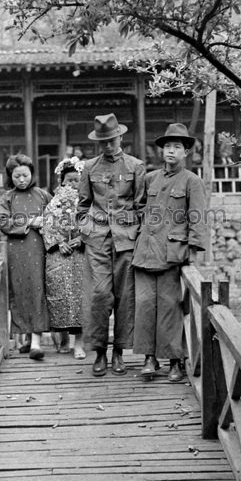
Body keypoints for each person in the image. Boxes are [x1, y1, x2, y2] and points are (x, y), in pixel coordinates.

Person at [132, 123, 208, 382]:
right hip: (144, 253)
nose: (171, 151)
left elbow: (197, 218)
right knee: (143, 306)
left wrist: (193, 253)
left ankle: (175, 360)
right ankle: (149, 358)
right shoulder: (150, 178)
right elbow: (137, 208)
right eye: (167, 146)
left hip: (172, 254)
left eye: (177, 147)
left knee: (170, 308)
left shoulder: (192, 181)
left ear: (186, 152)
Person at [77, 113, 146, 377]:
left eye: (111, 140)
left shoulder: (135, 166)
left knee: (125, 297)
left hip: (127, 240)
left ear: (120, 137)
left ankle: (119, 352)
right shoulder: (89, 168)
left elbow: (141, 206)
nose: (107, 146)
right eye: (103, 141)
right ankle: (99, 352)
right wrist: (86, 228)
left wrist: (136, 233)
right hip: (97, 240)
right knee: (99, 296)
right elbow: (82, 204)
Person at [0, 154, 52, 360]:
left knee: (38, 289)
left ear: (32, 174)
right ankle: (28, 338)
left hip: (40, 249)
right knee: (21, 290)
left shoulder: (43, 195)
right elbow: (3, 222)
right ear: (10, 177)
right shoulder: (7, 198)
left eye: (25, 175)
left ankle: (36, 342)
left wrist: (46, 223)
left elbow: (58, 218)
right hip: (17, 251)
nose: (22, 180)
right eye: (17, 176)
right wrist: (29, 222)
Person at [42, 156, 86, 360]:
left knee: (80, 298)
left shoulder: (87, 203)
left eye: (76, 180)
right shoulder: (53, 204)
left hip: (81, 256)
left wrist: (82, 238)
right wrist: (59, 242)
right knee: (59, 295)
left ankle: (80, 342)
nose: (72, 185)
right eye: (69, 180)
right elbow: (47, 226)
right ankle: (62, 340)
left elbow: (94, 224)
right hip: (59, 255)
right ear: (61, 182)